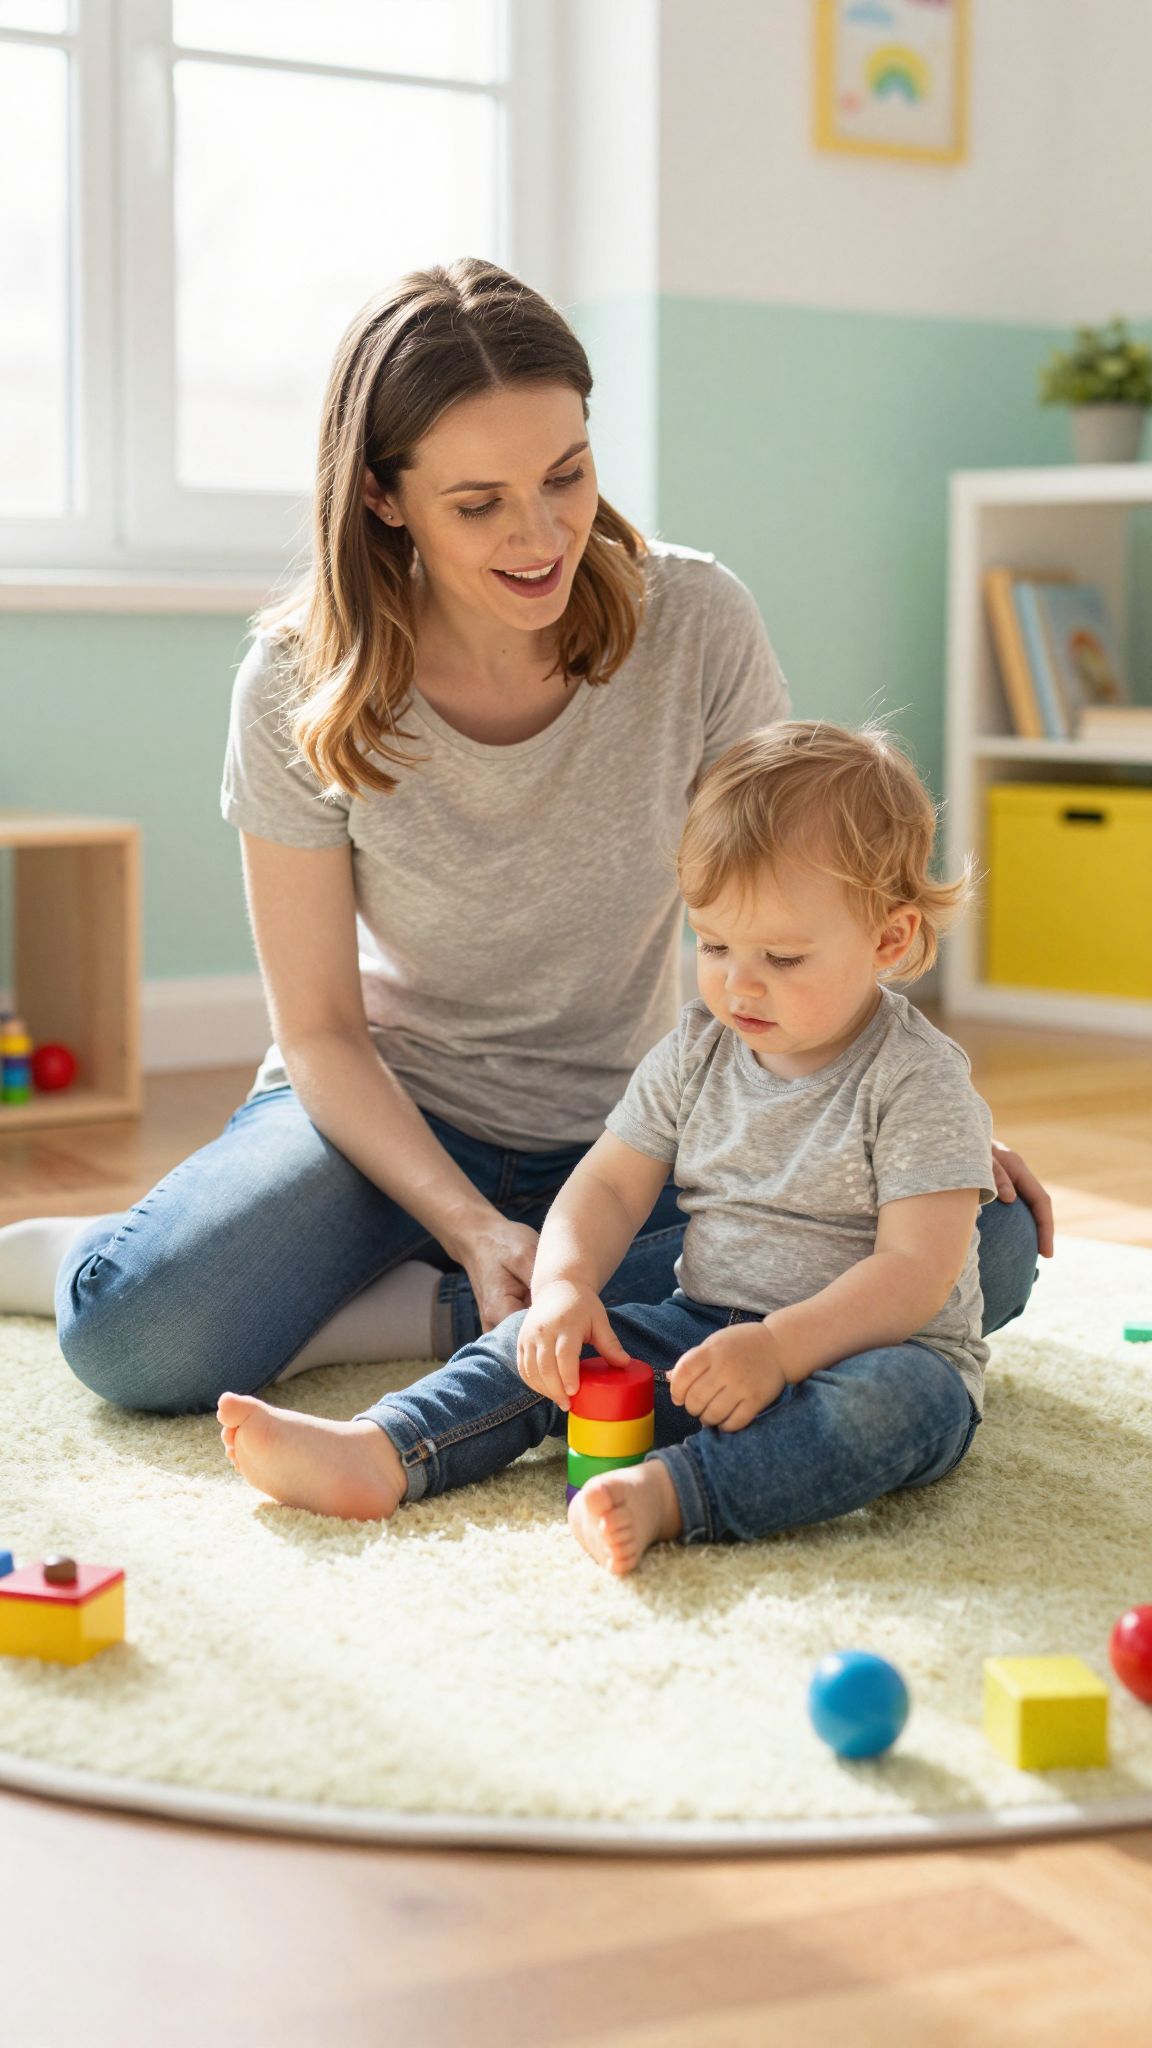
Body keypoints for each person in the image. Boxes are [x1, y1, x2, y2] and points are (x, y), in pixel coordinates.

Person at [0, 258, 1048, 1408]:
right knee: (134, 1339)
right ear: (383, 496)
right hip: (386, 1124)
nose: (542, 533)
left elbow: (798, 896)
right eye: (479, 502)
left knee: (980, 1254)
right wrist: (466, 1219)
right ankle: (420, 1277)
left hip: (644, 1125)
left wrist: (909, 1119)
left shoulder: (696, 620)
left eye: (568, 474)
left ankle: (398, 1310)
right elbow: (319, 1030)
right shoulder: (298, 680)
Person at [218, 720, 1026, 1577]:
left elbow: (915, 1273)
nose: (739, 983)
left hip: (881, 1358)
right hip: (700, 1333)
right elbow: (605, 1187)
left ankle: (677, 1494)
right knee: (542, 1343)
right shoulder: (697, 1051)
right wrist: (566, 1287)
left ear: (890, 942)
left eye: (783, 957)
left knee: (882, 1411)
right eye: (714, 945)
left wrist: (779, 1350)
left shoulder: (919, 1079)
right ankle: (385, 1450)